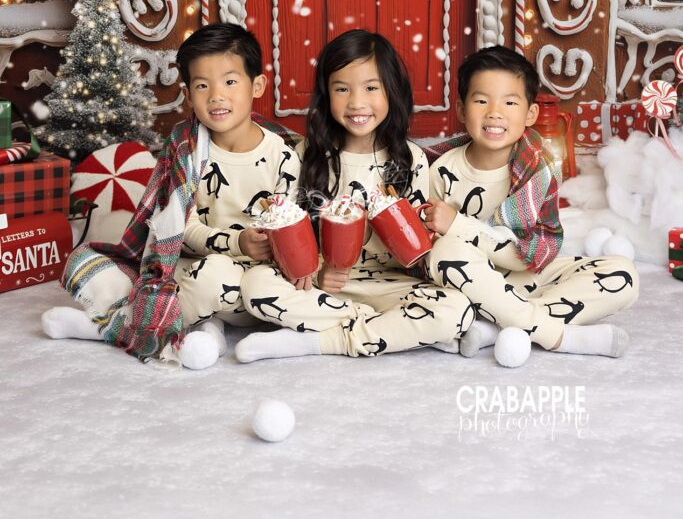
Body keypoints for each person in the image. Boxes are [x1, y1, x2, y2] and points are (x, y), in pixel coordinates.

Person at [42, 23, 299, 370]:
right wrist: (236, 241)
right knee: (98, 267)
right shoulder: (187, 148)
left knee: (222, 278)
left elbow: (291, 229)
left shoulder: (282, 156)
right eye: (202, 85)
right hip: (187, 267)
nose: (216, 96)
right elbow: (177, 227)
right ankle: (202, 327)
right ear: (189, 95)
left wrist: (265, 244)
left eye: (230, 81)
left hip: (247, 282)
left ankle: (116, 327)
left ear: (258, 85)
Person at [234, 29, 473, 362]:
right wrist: (318, 270)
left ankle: (319, 341)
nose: (357, 103)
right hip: (321, 288)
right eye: (342, 89)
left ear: (393, 92)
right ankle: (391, 329)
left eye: (371, 88)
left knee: (457, 309)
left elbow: (415, 252)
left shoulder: (411, 160)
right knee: (256, 285)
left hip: (387, 284)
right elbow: (289, 236)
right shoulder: (306, 155)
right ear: (325, 95)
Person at [423, 45, 639, 360]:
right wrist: (451, 237)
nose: (494, 112)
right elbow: (435, 258)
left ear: (530, 113)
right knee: (445, 253)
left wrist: (457, 224)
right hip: (470, 284)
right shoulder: (441, 169)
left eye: (510, 102)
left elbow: (527, 258)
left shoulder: (537, 169)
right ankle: (557, 335)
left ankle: (495, 327)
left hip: (527, 278)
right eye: (481, 100)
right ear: (461, 109)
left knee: (623, 274)